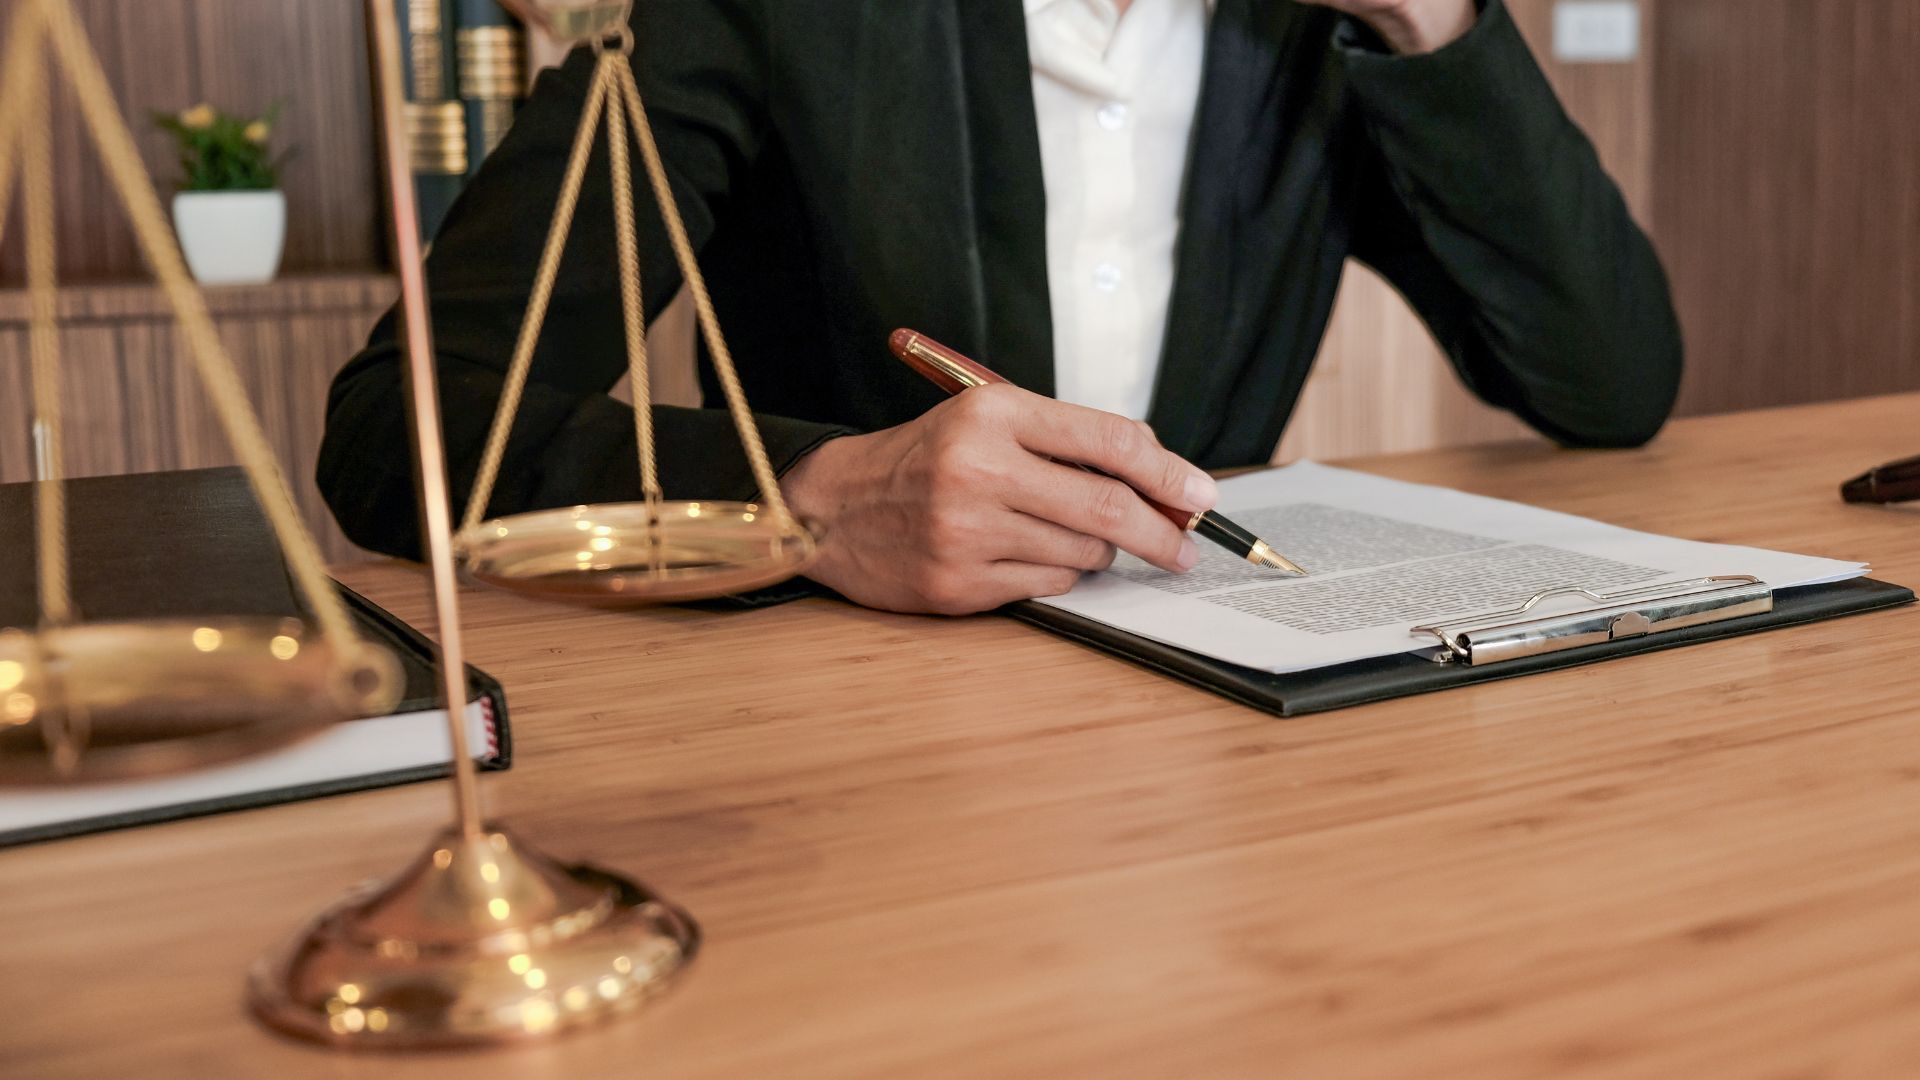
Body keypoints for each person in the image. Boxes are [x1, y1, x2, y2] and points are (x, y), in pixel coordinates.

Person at [318, 0, 1682, 615]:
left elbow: (1608, 384)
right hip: (844, 725)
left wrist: (1430, 18)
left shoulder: (1317, 32)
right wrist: (819, 500)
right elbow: (398, 437)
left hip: (1235, 724)